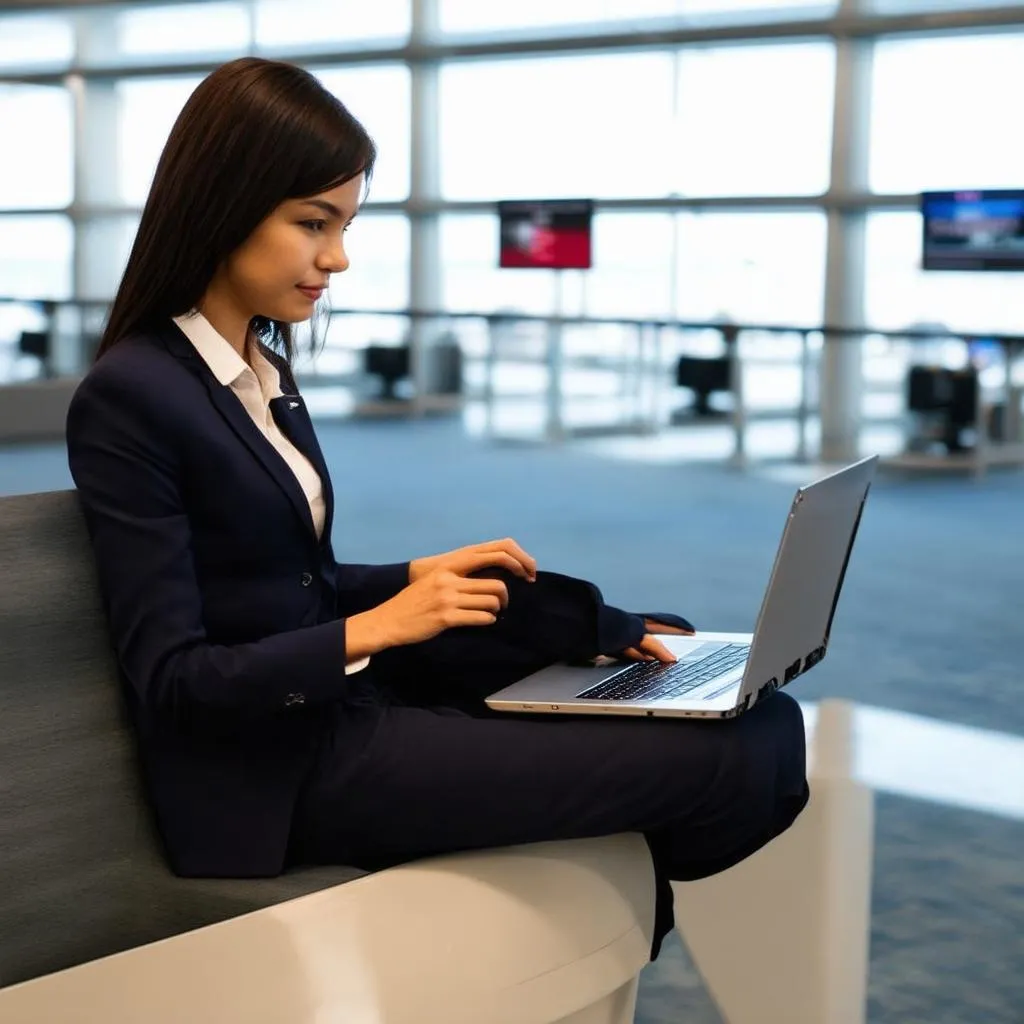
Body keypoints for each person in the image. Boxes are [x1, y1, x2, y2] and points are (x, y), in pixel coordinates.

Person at [66, 57, 808, 958]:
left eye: (341, 225)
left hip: (341, 707)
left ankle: (604, 855)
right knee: (732, 752)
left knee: (705, 676)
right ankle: (613, 878)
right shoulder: (134, 393)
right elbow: (177, 680)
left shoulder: (256, 371)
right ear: (226, 204)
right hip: (282, 769)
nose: (335, 258)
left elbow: (270, 581)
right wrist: (377, 626)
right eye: (313, 224)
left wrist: (414, 578)